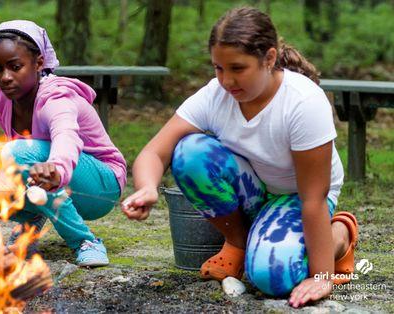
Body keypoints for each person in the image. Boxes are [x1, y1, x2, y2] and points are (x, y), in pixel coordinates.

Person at [121, 7, 358, 308]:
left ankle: (340, 235)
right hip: (254, 187)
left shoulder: (303, 102)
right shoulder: (215, 95)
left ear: (269, 59)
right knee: (190, 153)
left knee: (272, 279)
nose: (226, 80)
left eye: (237, 68)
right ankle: (238, 242)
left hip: (300, 197)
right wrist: (147, 187)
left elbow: (313, 197)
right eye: (218, 68)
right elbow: (156, 151)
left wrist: (322, 275)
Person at [0, 20, 127, 267]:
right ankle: (30, 223)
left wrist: (56, 168)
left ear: (39, 63)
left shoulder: (57, 97)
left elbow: (65, 137)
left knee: (18, 152)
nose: (5, 77)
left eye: (15, 67)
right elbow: (17, 144)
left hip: (98, 186)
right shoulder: (1, 95)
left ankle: (85, 241)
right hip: (42, 173)